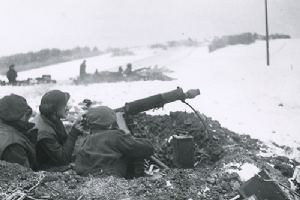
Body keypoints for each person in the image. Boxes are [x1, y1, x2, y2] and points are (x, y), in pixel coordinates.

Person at [75, 106, 154, 179]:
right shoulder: (115, 136)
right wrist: (129, 136)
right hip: (111, 180)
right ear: (110, 124)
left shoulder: (85, 141)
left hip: (88, 181)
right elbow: (146, 148)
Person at [33, 90, 83, 169]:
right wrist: (73, 133)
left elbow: (63, 142)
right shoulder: (44, 132)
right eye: (65, 105)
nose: (68, 108)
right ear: (54, 109)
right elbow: (63, 159)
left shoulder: (51, 117)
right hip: (44, 168)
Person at [0, 94, 37, 169]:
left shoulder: (4, 127)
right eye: (26, 114)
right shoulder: (14, 145)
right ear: (21, 115)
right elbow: (24, 177)